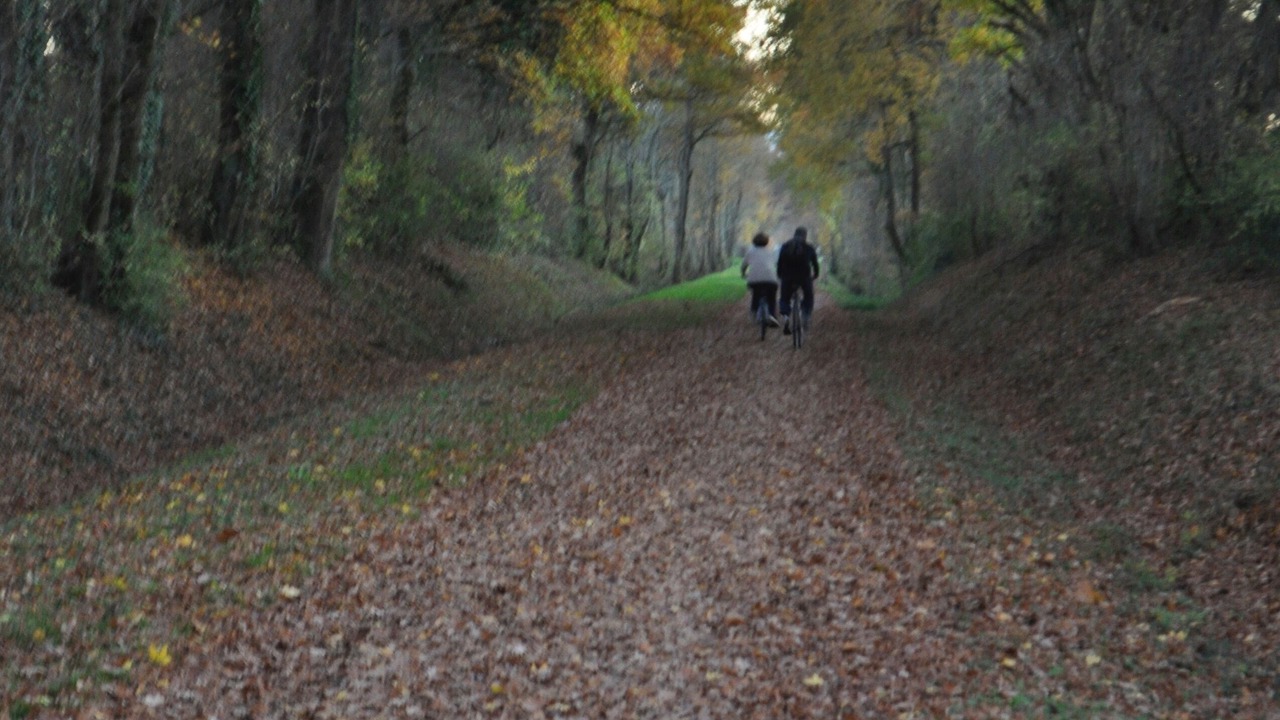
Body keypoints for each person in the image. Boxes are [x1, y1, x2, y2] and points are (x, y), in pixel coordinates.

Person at [776, 226, 820, 335]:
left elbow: (780, 262)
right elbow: (815, 263)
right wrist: (815, 274)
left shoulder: (785, 246)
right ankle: (805, 315)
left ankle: (786, 316)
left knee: (784, 298)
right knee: (808, 296)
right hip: (804, 277)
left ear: (794, 234)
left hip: (787, 277)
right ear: (805, 236)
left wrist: (780, 275)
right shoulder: (809, 247)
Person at [740, 232, 781, 328]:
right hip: (770, 280)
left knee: (756, 295)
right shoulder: (771, 252)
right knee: (771, 297)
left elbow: (744, 265)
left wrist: (743, 274)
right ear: (766, 242)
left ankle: (754, 314)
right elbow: (777, 264)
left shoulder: (750, 252)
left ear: (754, 241)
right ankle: (772, 315)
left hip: (754, 280)